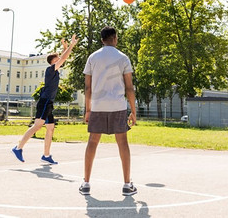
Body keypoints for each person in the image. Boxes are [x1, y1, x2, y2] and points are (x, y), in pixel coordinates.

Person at [79, 26, 137, 196]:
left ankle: (86, 183)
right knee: (123, 143)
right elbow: (129, 88)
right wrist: (133, 111)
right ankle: (127, 185)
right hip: (117, 106)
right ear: (115, 38)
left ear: (102, 39)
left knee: (92, 142)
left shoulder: (92, 57)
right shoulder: (123, 58)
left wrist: (88, 109)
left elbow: (88, 87)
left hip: (97, 106)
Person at [12, 35, 78, 164]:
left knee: (50, 128)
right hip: (45, 102)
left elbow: (64, 57)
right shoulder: (50, 69)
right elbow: (64, 58)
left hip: (49, 103)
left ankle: (46, 155)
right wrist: (71, 45)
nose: (60, 59)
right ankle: (18, 148)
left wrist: (65, 47)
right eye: (57, 58)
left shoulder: (55, 70)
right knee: (37, 126)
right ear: (53, 61)